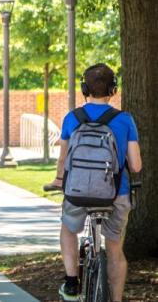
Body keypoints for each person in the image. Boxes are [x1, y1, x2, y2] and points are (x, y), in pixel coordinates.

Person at [48, 64, 142, 302]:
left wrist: (59, 180)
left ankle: (71, 283)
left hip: (77, 193)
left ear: (83, 89)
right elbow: (136, 166)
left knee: (68, 230)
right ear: (113, 89)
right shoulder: (124, 120)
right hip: (115, 194)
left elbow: (63, 159)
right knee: (114, 249)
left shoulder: (72, 118)